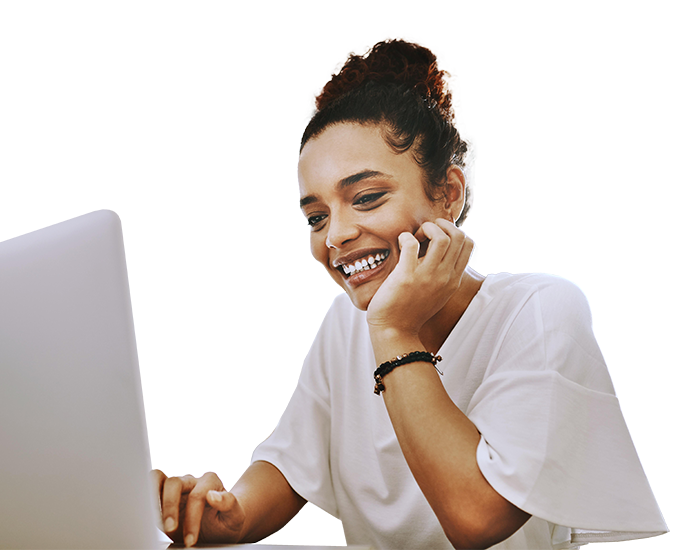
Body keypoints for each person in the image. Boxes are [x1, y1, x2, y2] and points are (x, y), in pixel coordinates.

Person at [150, 38, 666, 550]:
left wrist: (394, 331)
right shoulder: (342, 331)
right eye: (316, 216)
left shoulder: (539, 313)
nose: (335, 237)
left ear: (447, 195)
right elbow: (288, 469)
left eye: (367, 198)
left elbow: (476, 517)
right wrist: (224, 517)